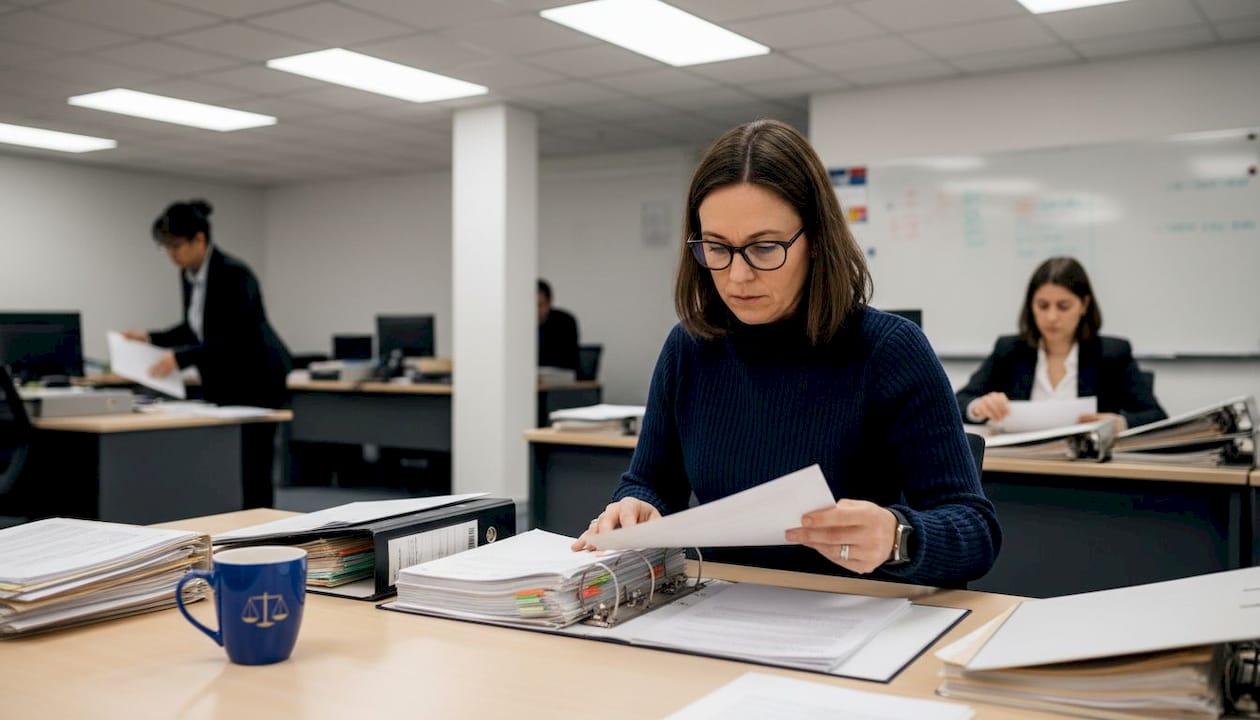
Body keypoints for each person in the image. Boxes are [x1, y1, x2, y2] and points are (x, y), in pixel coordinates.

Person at [573, 120, 1001, 587]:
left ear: (815, 240)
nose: (737, 276)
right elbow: (651, 481)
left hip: (855, 619)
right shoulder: (690, 348)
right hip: (720, 607)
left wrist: (898, 536)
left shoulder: (888, 351)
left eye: (764, 247)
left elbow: (974, 530)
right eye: (716, 248)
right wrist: (635, 506)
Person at [124, 199, 292, 508]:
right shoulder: (188, 275)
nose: (171, 255)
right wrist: (149, 337)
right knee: (225, 463)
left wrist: (180, 358)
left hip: (257, 378)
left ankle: (259, 528)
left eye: (175, 247)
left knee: (253, 465)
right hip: (224, 379)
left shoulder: (235, 274)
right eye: (166, 248)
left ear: (199, 239)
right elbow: (195, 328)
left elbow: (234, 336)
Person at [955, 256, 1166, 434]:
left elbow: (1156, 416)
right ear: (1031, 305)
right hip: (1020, 465)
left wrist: (1121, 423)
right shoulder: (1010, 350)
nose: (1052, 316)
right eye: (1042, 306)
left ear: (1084, 305)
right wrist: (979, 407)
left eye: (1063, 306)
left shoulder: (1112, 354)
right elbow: (959, 401)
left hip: (1088, 468)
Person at [537, 279, 580, 372]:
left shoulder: (565, 322)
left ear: (549, 303)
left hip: (558, 378)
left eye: (539, 305)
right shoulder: (518, 325)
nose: (535, 310)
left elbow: (569, 359)